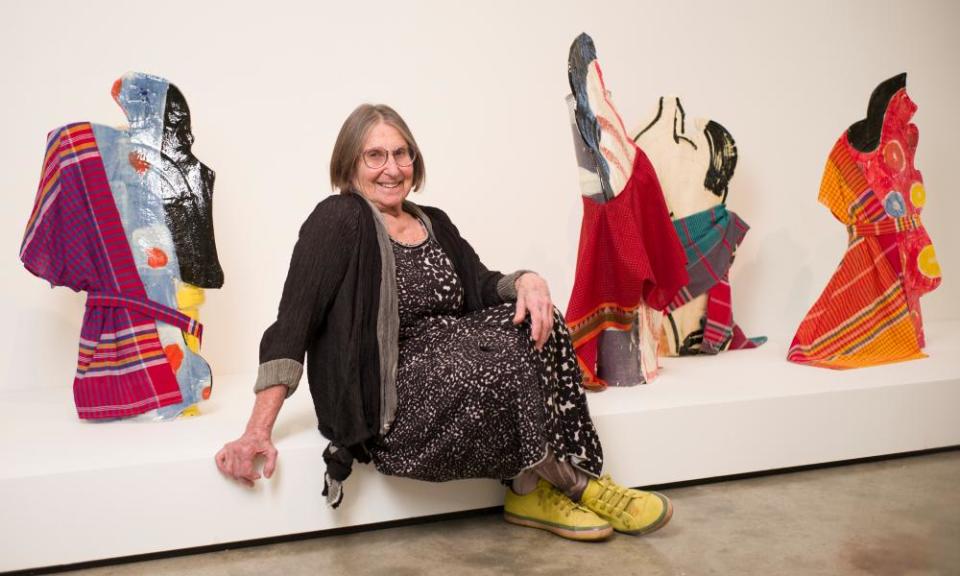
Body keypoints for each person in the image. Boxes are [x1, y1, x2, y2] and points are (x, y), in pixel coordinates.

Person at [215, 104, 673, 541]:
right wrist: (257, 430)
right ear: (349, 164)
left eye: (401, 153)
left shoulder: (433, 221)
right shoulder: (339, 219)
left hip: (455, 361)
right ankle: (582, 487)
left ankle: (529, 493)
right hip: (394, 392)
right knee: (506, 359)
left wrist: (527, 280)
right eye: (374, 155)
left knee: (542, 319)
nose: (391, 168)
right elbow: (293, 321)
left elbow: (481, 285)